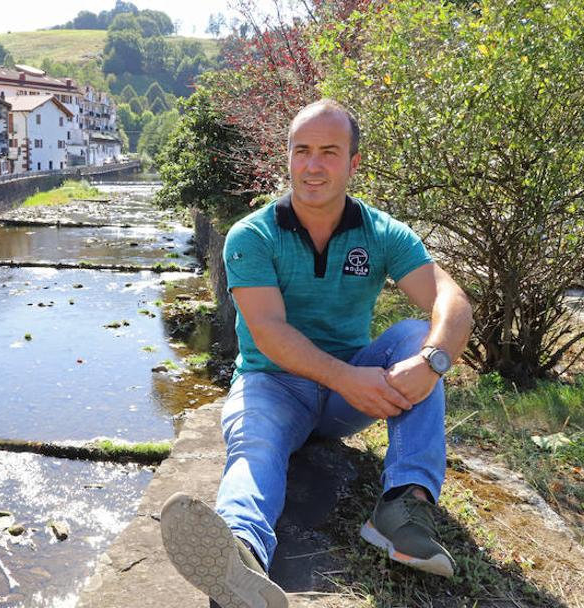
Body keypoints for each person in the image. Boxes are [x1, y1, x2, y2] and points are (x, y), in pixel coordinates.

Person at [159, 99, 474, 608]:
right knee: (256, 446)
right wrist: (349, 379)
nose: (313, 165)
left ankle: (402, 509)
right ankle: (240, 556)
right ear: (287, 158)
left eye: (330, 151)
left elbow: (451, 299)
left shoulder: (379, 232)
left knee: (418, 333)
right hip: (272, 384)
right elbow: (269, 333)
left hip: (347, 394)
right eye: (302, 150)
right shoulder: (252, 236)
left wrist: (434, 360)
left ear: (353, 163)